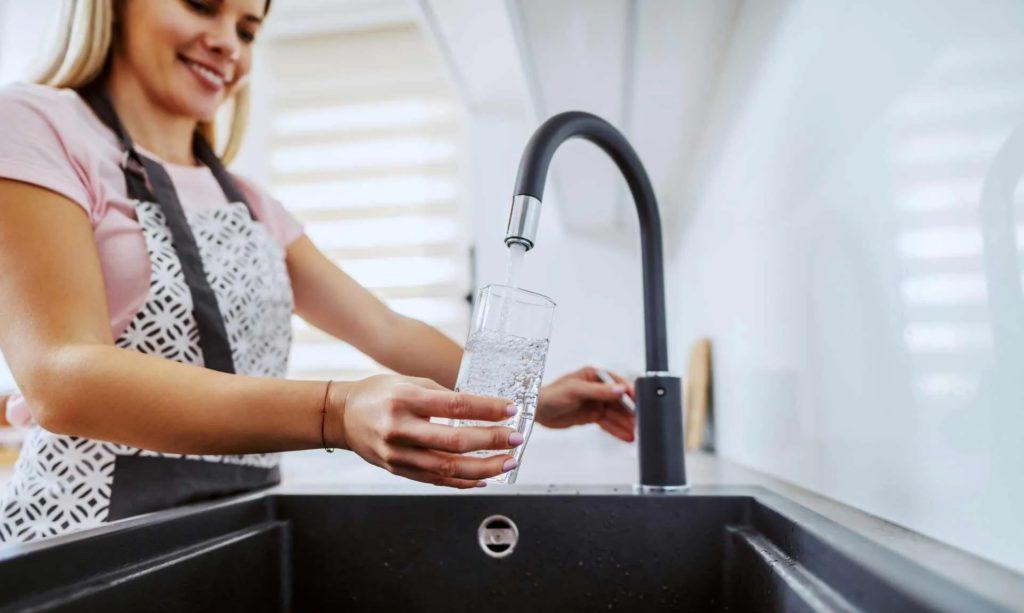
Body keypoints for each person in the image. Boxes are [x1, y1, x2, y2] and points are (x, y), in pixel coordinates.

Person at [0, 0, 637, 544]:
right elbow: (62, 376)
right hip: (82, 537)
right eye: (201, 4)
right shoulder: (36, 125)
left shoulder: (249, 204)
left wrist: (534, 402)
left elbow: (385, 330)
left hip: (228, 531)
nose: (227, 42)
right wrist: (335, 410)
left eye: (248, 30)